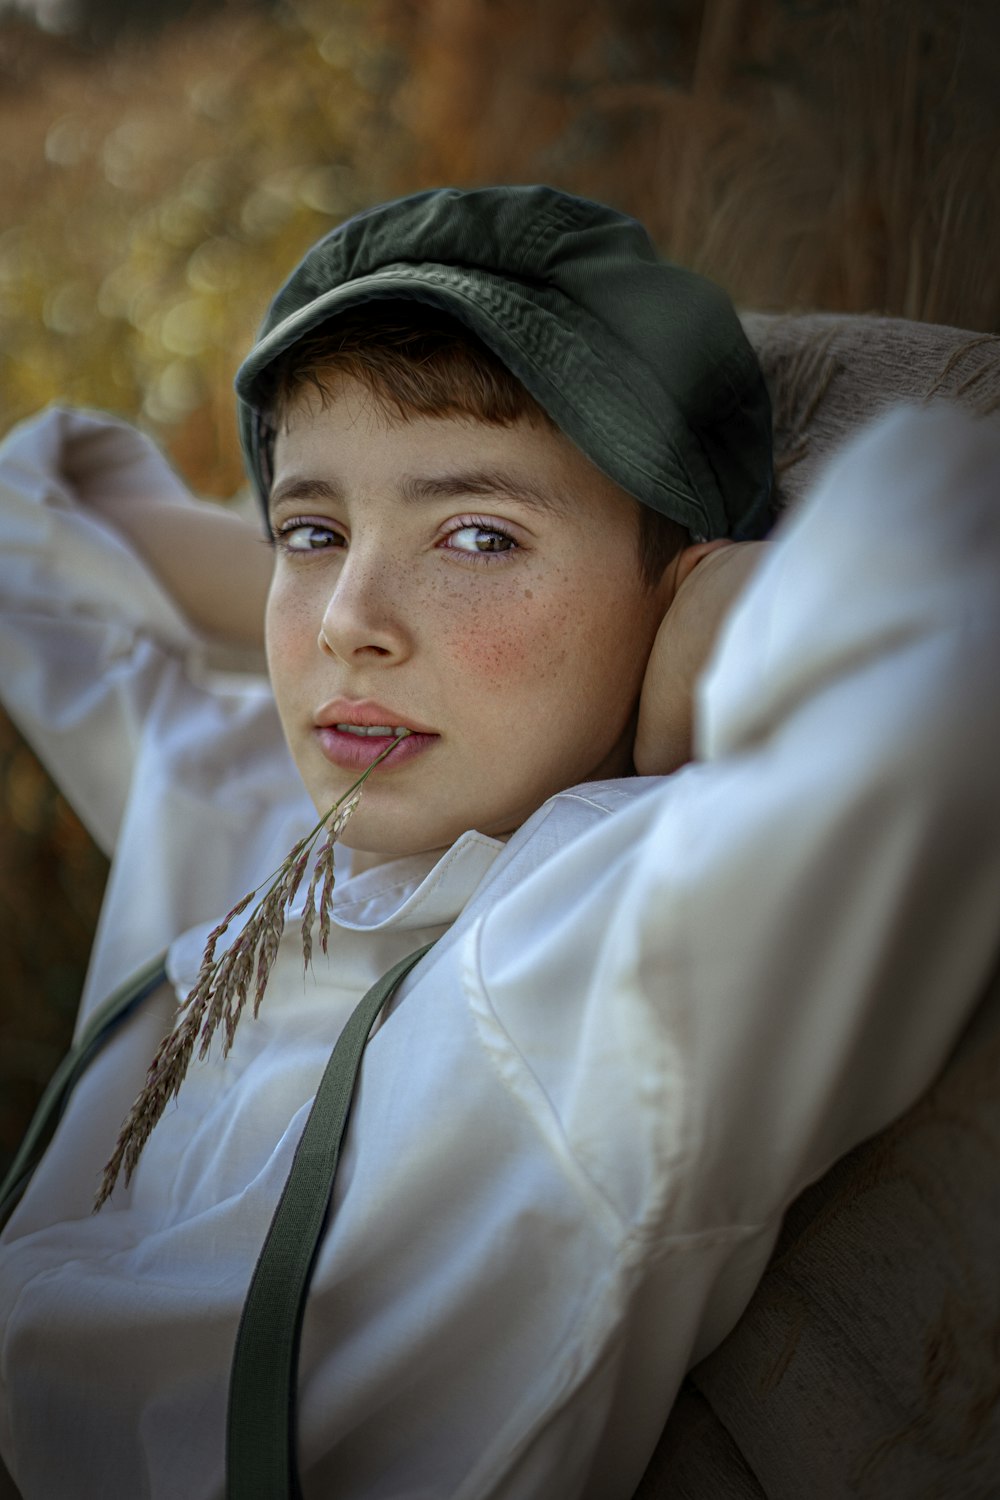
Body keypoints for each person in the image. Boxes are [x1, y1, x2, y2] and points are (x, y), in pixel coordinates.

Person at [0, 184, 998, 1500]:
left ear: (675, 576)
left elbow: (955, 618)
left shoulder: (610, 952)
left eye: (481, 535)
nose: (356, 620)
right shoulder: (251, 803)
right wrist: (347, 569)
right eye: (310, 531)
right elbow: (28, 533)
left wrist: (721, 614)